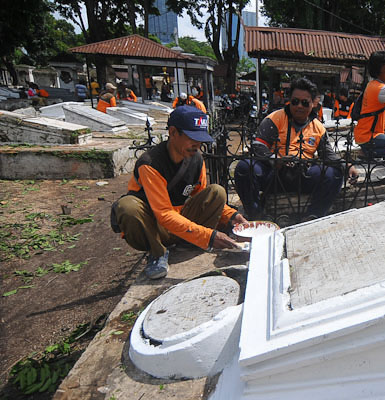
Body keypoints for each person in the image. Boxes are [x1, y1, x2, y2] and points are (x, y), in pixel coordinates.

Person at [112, 105, 248, 279]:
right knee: (127, 207)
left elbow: (201, 197)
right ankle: (158, 252)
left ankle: (189, 242)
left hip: (180, 221)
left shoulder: (196, 158)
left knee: (217, 192)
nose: (197, 145)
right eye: (192, 138)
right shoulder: (151, 164)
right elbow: (164, 214)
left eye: (200, 139)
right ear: (173, 132)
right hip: (154, 227)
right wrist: (208, 236)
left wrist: (232, 217)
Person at [234, 77, 359, 220]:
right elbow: (258, 146)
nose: (299, 106)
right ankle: (256, 216)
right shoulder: (275, 118)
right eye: (295, 101)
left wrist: (347, 166)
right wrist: (274, 160)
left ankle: (313, 216)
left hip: (303, 175)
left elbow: (328, 156)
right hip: (274, 174)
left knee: (335, 173)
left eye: (305, 102)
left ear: (313, 104)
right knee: (244, 168)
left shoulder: (318, 127)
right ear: (289, 100)